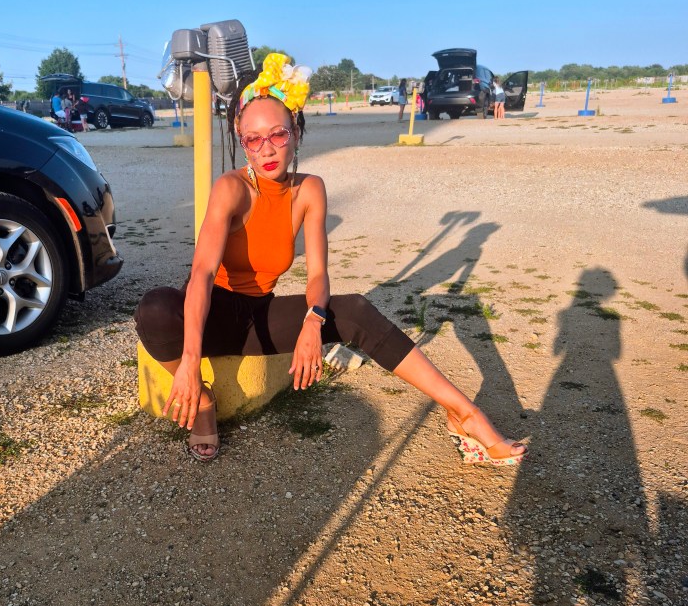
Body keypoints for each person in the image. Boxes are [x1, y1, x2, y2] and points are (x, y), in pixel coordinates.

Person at [134, 53, 526, 465]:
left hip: (258, 316)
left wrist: (313, 319)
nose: (267, 150)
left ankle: (464, 413)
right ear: (241, 140)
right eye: (253, 139)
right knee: (155, 308)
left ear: (295, 130)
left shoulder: (309, 190)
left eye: (278, 135)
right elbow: (201, 273)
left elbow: (318, 273)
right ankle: (203, 400)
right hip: (209, 312)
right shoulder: (231, 189)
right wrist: (190, 362)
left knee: (355, 310)